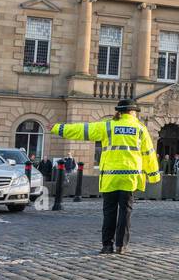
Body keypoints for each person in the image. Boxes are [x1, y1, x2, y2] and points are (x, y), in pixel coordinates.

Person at [51, 99, 161, 254]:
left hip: (110, 178)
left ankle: (107, 245)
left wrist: (58, 128)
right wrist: (154, 176)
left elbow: (82, 130)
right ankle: (121, 245)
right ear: (132, 112)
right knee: (125, 212)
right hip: (130, 178)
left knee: (109, 212)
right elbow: (148, 154)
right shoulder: (140, 129)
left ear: (119, 112)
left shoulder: (108, 126)